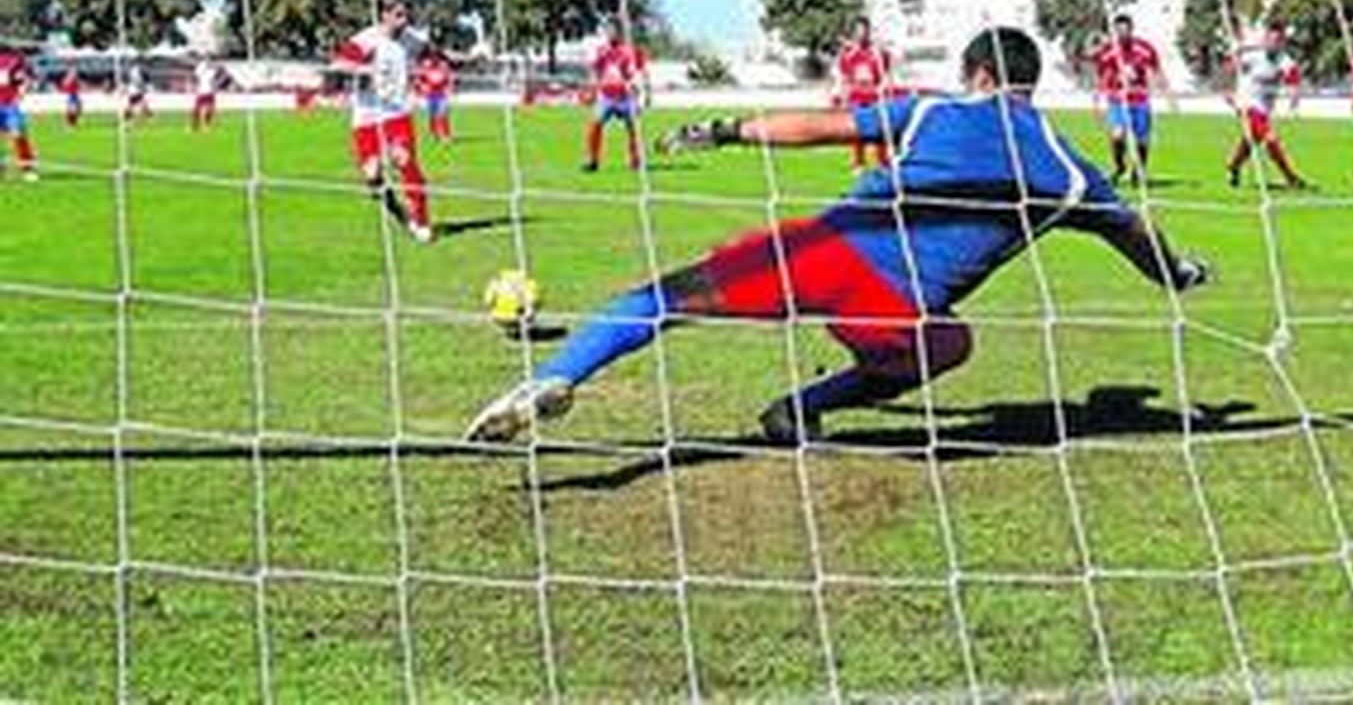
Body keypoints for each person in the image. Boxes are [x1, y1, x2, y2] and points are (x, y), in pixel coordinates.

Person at [466, 27, 1211, 446]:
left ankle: (558, 375)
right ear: (1030, 83)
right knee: (949, 344)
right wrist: (1175, 275)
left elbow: (815, 128)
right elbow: (1134, 233)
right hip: (899, 309)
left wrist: (723, 129)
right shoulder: (1070, 172)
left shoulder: (930, 111)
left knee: (664, 297)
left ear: (975, 72)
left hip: (822, 252)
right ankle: (802, 407)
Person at [330, 0, 435, 244]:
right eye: (399, 14)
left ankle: (422, 221)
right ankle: (398, 212)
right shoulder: (366, 40)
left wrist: (459, 62)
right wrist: (360, 71)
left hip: (397, 113)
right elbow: (337, 65)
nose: (405, 20)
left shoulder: (413, 39)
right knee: (372, 174)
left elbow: (434, 54)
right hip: (366, 116)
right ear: (385, 15)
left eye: (407, 13)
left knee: (404, 161)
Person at [1082, 13, 1170, 184]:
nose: (1122, 34)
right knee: (1117, 135)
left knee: (1142, 140)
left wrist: (1168, 94)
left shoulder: (1144, 48)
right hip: (1117, 100)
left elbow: (1156, 69)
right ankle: (1120, 166)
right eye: (1118, 31)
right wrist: (1096, 100)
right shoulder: (1108, 51)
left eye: (1125, 30)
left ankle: (1139, 171)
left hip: (1140, 100)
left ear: (1131, 30)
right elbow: (1100, 74)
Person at [1223, 20, 1309, 190]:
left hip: (1264, 108)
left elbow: (1294, 82)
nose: (1272, 44)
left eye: (1277, 41)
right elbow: (1230, 67)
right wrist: (1227, 89)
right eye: (1270, 40)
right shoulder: (1253, 55)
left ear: (1282, 42)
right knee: (1271, 139)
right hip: (1246, 104)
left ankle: (1234, 165)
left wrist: (1294, 101)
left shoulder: (1285, 61)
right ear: (1264, 39)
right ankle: (1290, 177)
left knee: (1250, 140)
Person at [583, 19, 648, 173]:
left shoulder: (626, 51)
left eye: (614, 30)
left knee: (633, 128)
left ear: (619, 32)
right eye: (608, 30)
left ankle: (635, 161)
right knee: (595, 124)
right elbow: (594, 70)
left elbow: (633, 72)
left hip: (624, 97)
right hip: (606, 96)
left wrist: (636, 89)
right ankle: (593, 161)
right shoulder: (601, 50)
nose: (611, 33)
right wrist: (592, 90)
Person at [834, 16, 894, 171]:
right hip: (856, 98)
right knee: (857, 132)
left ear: (869, 31)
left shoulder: (878, 53)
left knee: (880, 131)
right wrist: (841, 96)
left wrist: (884, 89)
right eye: (858, 30)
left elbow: (887, 74)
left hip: (875, 98)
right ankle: (858, 163)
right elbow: (843, 77)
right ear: (854, 32)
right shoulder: (848, 54)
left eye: (864, 29)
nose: (861, 33)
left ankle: (883, 163)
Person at [0, 45, 38, 181]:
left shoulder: (16, 59)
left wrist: (22, 91)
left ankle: (28, 169)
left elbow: (26, 78)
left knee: (18, 135)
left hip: (9, 104)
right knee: (18, 135)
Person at [414, 52, 455, 143]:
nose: (433, 59)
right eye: (431, 57)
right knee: (431, 115)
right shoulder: (424, 67)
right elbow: (418, 80)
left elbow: (450, 79)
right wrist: (420, 91)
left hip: (442, 95)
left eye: (436, 57)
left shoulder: (444, 67)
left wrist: (450, 89)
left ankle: (446, 135)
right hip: (429, 95)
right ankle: (434, 134)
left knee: (442, 114)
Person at [191, 56, 227, 131]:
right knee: (197, 110)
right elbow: (196, 75)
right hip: (202, 91)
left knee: (209, 110)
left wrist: (221, 75)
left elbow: (215, 78)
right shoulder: (201, 67)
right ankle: (196, 125)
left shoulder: (212, 70)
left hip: (209, 92)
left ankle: (206, 125)